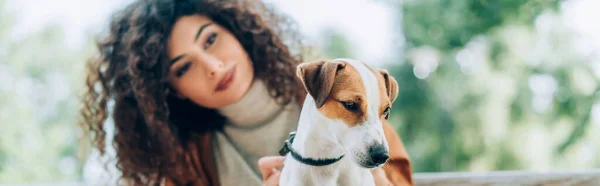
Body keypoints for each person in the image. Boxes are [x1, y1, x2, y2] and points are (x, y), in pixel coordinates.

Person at [79, 0, 413, 185]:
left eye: (210, 39)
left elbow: (400, 179)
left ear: (237, 30)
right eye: (183, 68)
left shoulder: (347, 98)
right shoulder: (186, 162)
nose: (211, 65)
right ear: (171, 91)